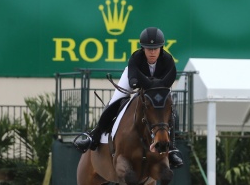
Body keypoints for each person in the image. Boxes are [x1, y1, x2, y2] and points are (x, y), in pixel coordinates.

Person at [73, 27, 183, 169]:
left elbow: (169, 79)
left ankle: (172, 149)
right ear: (143, 48)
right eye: (149, 48)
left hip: (158, 86)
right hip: (135, 80)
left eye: (155, 48)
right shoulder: (136, 58)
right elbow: (133, 81)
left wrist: (154, 86)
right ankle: (94, 136)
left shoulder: (167, 60)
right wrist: (148, 84)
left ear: (161, 48)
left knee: (168, 110)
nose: (152, 52)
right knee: (115, 101)